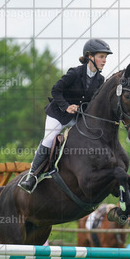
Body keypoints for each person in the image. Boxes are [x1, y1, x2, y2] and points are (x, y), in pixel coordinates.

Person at [19, 38, 113, 193]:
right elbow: (56, 90)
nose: (104, 60)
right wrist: (67, 106)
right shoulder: (74, 73)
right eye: (101, 56)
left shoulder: (99, 80)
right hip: (58, 114)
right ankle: (32, 176)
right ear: (90, 56)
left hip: (76, 118)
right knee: (49, 139)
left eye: (105, 57)